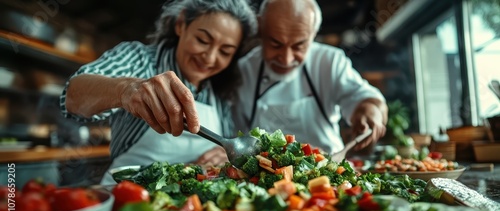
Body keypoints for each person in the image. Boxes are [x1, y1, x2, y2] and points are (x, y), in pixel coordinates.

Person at [60, 0, 257, 185]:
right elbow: (72, 96)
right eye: (202, 40)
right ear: (181, 24)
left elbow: (229, 145)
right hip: (127, 195)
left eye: (225, 52)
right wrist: (125, 89)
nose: (210, 57)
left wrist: (221, 153)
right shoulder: (138, 59)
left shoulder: (219, 94)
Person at [232, 0, 388, 155]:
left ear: (313, 34)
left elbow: (365, 98)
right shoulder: (244, 71)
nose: (286, 59)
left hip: (330, 171)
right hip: (263, 176)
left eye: (298, 46)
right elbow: (235, 137)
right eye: (275, 44)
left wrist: (369, 110)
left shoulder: (329, 62)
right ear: (261, 28)